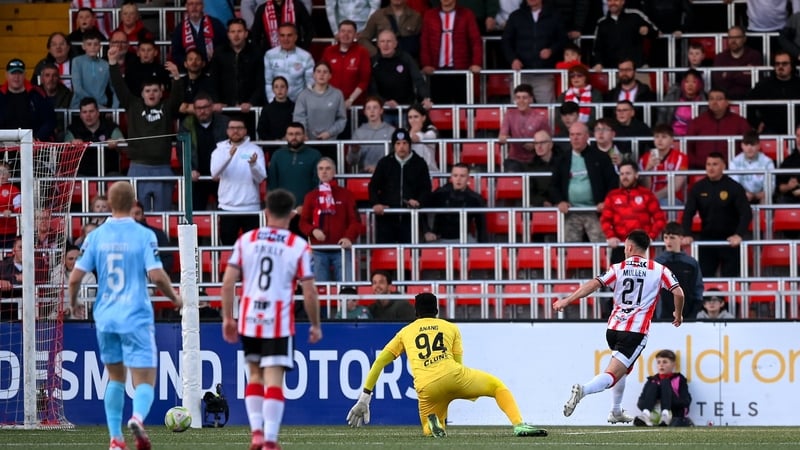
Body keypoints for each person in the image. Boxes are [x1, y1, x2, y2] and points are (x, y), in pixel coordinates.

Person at [68, 181, 181, 450]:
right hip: (136, 315)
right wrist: (175, 298)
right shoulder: (143, 235)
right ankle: (138, 418)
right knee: (144, 379)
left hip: (106, 315)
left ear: (109, 203)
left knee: (115, 378)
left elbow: (74, 278)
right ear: (133, 203)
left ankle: (116, 439)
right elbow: (156, 274)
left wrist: (73, 304)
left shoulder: (95, 236)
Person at [347, 292, 548, 437]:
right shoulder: (450, 328)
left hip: (427, 388)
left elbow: (379, 362)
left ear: (416, 311)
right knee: (497, 387)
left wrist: (365, 396)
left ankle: (436, 424)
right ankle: (519, 424)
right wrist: (456, 388)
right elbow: (457, 363)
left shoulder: (405, 332)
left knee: (428, 428)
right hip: (454, 375)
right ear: (436, 310)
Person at [220, 188, 322, 450]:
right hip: (278, 321)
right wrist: (315, 324)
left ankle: (256, 433)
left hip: (250, 317)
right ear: (292, 215)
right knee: (274, 379)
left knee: (254, 375)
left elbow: (228, 281)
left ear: (265, 212)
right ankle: (270, 440)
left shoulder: (246, 240)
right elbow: (309, 291)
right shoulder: (298, 246)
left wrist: (227, 318)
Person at [554, 230, 685, 423]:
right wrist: (678, 313)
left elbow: (593, 284)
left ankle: (615, 410)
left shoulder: (618, 268)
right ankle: (583, 390)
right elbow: (679, 293)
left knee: (624, 368)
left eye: (625, 248)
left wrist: (567, 300)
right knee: (612, 374)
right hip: (635, 332)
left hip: (613, 329)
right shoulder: (659, 270)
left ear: (629, 247)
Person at [108, 44, 183, 212]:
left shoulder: (167, 107)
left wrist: (177, 77)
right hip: (138, 167)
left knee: (162, 215)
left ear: (161, 92)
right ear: (141, 94)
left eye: (155, 90)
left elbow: (178, 98)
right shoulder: (133, 105)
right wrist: (113, 64)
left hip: (162, 168)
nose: (151, 94)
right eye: (147, 90)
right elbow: (119, 86)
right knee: (136, 214)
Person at [682, 152, 753, 278]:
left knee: (730, 280)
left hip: (730, 241)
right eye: (708, 164)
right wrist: (687, 233)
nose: (710, 168)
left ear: (723, 166)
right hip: (707, 240)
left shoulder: (734, 187)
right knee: (705, 279)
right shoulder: (698, 188)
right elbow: (688, 213)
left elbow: (746, 213)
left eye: (715, 164)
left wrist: (739, 234)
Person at [549, 122, 618, 244]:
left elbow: (612, 182)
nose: (575, 138)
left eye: (579, 135)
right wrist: (560, 201)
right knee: (569, 248)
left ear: (587, 136)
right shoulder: (561, 160)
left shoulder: (601, 157)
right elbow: (553, 185)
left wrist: (606, 202)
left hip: (595, 211)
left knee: (602, 245)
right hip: (571, 212)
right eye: (572, 135)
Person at [299, 157, 362, 282]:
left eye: (328, 168)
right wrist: (313, 231)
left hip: (341, 250)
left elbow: (355, 221)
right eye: (321, 169)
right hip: (318, 250)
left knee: (346, 290)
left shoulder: (346, 195)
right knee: (320, 292)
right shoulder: (311, 196)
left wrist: (348, 237)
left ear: (334, 172)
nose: (324, 172)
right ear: (317, 173)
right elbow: (303, 222)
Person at [210, 116, 267, 245]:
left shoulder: (255, 150)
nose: (235, 131)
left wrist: (253, 165)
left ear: (245, 131)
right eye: (232, 128)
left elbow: (261, 178)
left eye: (239, 128)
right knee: (228, 247)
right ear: (227, 131)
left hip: (251, 208)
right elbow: (214, 174)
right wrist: (229, 156)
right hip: (227, 208)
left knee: (252, 248)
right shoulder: (219, 150)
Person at [369, 128, 432, 244]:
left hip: (411, 217)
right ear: (394, 146)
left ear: (409, 145)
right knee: (386, 255)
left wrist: (419, 201)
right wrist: (376, 203)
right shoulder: (385, 162)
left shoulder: (419, 163)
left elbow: (426, 188)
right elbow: (373, 186)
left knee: (410, 255)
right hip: (387, 218)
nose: (401, 147)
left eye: (404, 143)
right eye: (398, 144)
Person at [601, 161, 666, 265]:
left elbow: (660, 219)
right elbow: (605, 220)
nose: (624, 177)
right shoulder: (612, 195)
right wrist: (611, 236)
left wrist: (651, 236)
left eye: (628, 173)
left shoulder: (647, 195)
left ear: (636, 175)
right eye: (622, 174)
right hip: (620, 246)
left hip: (641, 246)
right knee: (618, 280)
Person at [501, 0, 565, 105]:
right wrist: (513, 59)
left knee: (548, 110)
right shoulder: (516, 16)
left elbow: (563, 39)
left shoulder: (554, 15)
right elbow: (506, 41)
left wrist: (551, 50)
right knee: (518, 109)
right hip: (520, 73)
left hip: (544, 72)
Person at [419, 0, 483, 104]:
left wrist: (476, 63)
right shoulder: (429, 15)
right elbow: (425, 42)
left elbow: (475, 41)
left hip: (461, 71)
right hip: (437, 72)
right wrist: (426, 64)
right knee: (440, 111)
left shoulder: (467, 14)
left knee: (464, 109)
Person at [268, 122, 322, 235]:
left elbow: (317, 183)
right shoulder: (277, 155)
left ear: (304, 136)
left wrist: (306, 205)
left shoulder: (314, 155)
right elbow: (272, 184)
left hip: (305, 210)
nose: (294, 137)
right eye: (291, 134)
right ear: (286, 136)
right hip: (282, 211)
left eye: (298, 134)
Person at [179, 92, 229, 211]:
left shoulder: (225, 122)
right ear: (194, 110)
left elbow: (230, 148)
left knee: (225, 214)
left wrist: (222, 170)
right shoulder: (187, 124)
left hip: (222, 177)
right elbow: (182, 150)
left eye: (205, 107)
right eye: (199, 108)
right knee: (196, 213)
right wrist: (190, 169)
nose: (202, 111)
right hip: (197, 177)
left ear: (212, 107)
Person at [685, 88, 752, 169]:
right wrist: (702, 163)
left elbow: (750, 145)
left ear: (727, 102)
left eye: (719, 99)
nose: (714, 102)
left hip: (732, 170)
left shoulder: (740, 122)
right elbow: (688, 148)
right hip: (702, 169)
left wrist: (735, 164)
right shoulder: (697, 122)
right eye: (711, 99)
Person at [210, 18, 265, 113]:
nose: (236, 35)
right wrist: (216, 101)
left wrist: (251, 102)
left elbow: (260, 82)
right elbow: (214, 80)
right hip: (224, 107)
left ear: (246, 33)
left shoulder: (256, 52)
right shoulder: (219, 52)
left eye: (239, 31)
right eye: (232, 32)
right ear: (228, 34)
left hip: (249, 108)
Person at [367, 29, 431, 112]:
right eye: (382, 41)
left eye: (389, 41)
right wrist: (384, 102)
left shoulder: (406, 58)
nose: (385, 45)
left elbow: (418, 79)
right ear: (378, 44)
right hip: (383, 110)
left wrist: (426, 97)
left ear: (395, 43)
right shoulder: (373, 62)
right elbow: (372, 88)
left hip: (406, 108)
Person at [422, 163, 487, 243]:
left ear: (468, 178)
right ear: (451, 177)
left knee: (477, 252)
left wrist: (482, 248)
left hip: (464, 239)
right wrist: (426, 231)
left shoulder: (475, 199)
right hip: (439, 239)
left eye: (462, 176)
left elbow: (481, 227)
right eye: (455, 175)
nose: (458, 179)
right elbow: (421, 208)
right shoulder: (441, 193)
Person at [65, 97, 125, 177]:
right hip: (81, 174)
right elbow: (64, 148)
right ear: (80, 115)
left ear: (98, 112)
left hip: (109, 173)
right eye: (84, 112)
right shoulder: (73, 129)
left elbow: (124, 145)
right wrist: (72, 144)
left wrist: (116, 143)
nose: (88, 115)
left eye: (91, 111)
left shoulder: (111, 127)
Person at [655, 221, 704, 321]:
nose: (668, 241)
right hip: (662, 318)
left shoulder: (691, 263)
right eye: (666, 237)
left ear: (681, 238)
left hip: (687, 317)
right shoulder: (657, 263)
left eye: (672, 237)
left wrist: (693, 314)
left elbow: (698, 290)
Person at [591, 0, 659, 70]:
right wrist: (598, 63)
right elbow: (597, 48)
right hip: (612, 72)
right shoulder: (601, 22)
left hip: (638, 69)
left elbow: (656, 32)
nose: (612, 3)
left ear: (623, 1)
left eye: (616, 0)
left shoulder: (635, 15)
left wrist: (648, 30)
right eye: (610, 1)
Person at [0, 58, 56, 143]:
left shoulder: (37, 94)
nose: (16, 77)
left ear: (25, 75)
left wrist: (37, 138)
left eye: (19, 73)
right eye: (13, 73)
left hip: (33, 145)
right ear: (6, 75)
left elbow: (49, 121)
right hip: (3, 144)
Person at [322, 20, 373, 112]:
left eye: (349, 32)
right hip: (331, 102)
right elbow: (323, 75)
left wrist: (351, 99)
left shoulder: (362, 52)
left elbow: (364, 80)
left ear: (355, 35)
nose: (345, 34)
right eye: (343, 31)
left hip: (355, 104)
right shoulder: (329, 51)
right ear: (338, 33)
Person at [633, 349, 693, 427]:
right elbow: (641, 402)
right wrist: (655, 401)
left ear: (673, 364)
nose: (661, 365)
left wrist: (666, 400)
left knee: (665, 382)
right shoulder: (652, 380)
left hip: (674, 413)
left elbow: (686, 401)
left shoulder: (679, 379)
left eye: (665, 362)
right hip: (655, 412)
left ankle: (665, 414)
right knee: (655, 384)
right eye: (659, 362)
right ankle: (645, 415)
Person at [746, 50, 800, 135]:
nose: (780, 66)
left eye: (784, 64)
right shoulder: (763, 85)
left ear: (792, 66)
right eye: (777, 64)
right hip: (771, 129)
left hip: (798, 128)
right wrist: (756, 123)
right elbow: (748, 104)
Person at [499, 83, 551, 172]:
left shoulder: (540, 117)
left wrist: (535, 145)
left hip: (535, 159)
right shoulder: (509, 114)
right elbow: (502, 135)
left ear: (531, 99)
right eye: (518, 98)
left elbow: (548, 139)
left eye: (524, 98)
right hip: (514, 159)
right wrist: (503, 137)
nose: (521, 101)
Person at [292, 61, 347, 143]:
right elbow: (299, 118)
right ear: (313, 75)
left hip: (330, 142)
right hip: (308, 142)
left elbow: (342, 119)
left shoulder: (337, 94)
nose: (321, 74)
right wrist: (304, 134)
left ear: (330, 76)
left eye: (325, 72)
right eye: (318, 71)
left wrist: (329, 133)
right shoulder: (304, 95)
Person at [263, 23, 315, 103]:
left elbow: (310, 84)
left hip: (299, 105)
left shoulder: (306, 57)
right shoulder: (269, 55)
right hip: (276, 104)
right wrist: (272, 103)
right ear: (278, 37)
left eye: (289, 35)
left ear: (296, 37)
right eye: (282, 35)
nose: (285, 39)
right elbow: (268, 83)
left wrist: (303, 104)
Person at [712, 26, 764, 100]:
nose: (733, 40)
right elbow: (719, 83)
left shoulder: (754, 55)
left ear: (744, 39)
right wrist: (742, 73)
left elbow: (757, 81)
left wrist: (728, 75)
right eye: (730, 37)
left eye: (737, 37)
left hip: (749, 98)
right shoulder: (720, 58)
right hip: (726, 99)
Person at [347, 96, 396, 173]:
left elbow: (397, 157)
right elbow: (351, 161)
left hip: (386, 174)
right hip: (364, 174)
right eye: (368, 108)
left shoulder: (391, 131)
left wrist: (379, 168)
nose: (372, 111)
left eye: (375, 107)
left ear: (381, 110)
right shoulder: (358, 132)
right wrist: (354, 151)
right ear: (365, 112)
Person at [170, 0, 226, 66]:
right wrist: (187, 63)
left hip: (213, 68)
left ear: (203, 6)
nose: (194, 7)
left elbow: (224, 46)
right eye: (191, 4)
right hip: (189, 71)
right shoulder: (180, 28)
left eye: (198, 4)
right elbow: (176, 53)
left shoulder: (215, 24)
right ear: (186, 6)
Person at [358, 0, 422, 58]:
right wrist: (376, 53)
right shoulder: (378, 15)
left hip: (406, 61)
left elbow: (420, 42)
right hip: (384, 61)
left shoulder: (415, 16)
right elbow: (363, 38)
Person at [728, 131, 776, 205]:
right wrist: (745, 194)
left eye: (753, 144)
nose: (749, 148)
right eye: (746, 144)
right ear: (742, 146)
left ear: (759, 146)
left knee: (767, 198)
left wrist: (756, 196)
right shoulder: (734, 162)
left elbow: (770, 188)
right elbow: (734, 186)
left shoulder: (767, 162)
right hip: (742, 197)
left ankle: (765, 216)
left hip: (760, 197)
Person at [657, 68, 707, 137]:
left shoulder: (704, 100)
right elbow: (662, 116)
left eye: (694, 82)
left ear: (699, 84)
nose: (690, 85)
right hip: (671, 137)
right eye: (687, 82)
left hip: (694, 139)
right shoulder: (673, 95)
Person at [50, 245, 96, 320]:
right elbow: (53, 299)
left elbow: (87, 304)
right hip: (57, 314)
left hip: (80, 315)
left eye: (78, 259)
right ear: (63, 260)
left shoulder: (90, 276)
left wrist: (69, 309)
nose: (75, 262)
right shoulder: (56, 272)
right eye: (71, 259)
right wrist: (62, 310)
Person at [249, 0, 314, 51]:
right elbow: (255, 35)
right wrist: (260, 54)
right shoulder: (262, 9)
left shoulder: (297, 6)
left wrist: (303, 48)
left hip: (295, 52)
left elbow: (309, 29)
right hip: (270, 54)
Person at [528, 129, 560, 207]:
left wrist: (560, 201)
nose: (539, 146)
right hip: (541, 207)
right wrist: (542, 202)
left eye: (542, 143)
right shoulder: (530, 167)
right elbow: (530, 193)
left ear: (551, 145)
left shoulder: (562, 163)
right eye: (536, 143)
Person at [257, 76, 294, 141]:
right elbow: (261, 130)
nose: (279, 90)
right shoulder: (267, 109)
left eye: (282, 86)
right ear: (273, 90)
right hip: (272, 146)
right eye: (276, 87)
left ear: (287, 88)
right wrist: (274, 140)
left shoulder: (294, 107)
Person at [406, 104, 439, 172]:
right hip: (411, 172)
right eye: (410, 117)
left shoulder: (432, 129)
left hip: (430, 172)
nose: (413, 120)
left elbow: (417, 138)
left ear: (423, 118)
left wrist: (413, 132)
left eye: (416, 117)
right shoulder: (406, 132)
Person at [774, 123, 800, 205]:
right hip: (792, 199)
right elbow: (779, 187)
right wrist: (789, 186)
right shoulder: (789, 161)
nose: (799, 140)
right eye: (798, 136)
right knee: (782, 201)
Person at [0, 162, 20, 250]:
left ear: (9, 175)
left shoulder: (14, 189)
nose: (2, 175)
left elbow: (19, 208)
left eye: (5, 172)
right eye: (0, 172)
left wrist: (11, 211)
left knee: (8, 258)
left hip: (10, 232)